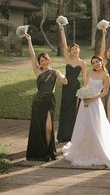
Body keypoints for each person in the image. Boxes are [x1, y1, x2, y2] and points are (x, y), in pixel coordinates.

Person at [62, 55, 110, 168]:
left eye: (97, 62)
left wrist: (92, 99)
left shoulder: (106, 75)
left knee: (95, 126)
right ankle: (82, 151)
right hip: (85, 103)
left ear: (101, 62)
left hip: (95, 103)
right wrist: (84, 97)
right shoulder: (90, 73)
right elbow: (85, 86)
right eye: (93, 63)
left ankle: (97, 150)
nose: (96, 64)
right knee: (83, 125)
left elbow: (104, 92)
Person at [24, 33, 68, 161]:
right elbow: (32, 57)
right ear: (40, 63)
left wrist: (61, 76)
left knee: (49, 128)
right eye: (41, 61)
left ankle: (48, 151)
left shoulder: (55, 72)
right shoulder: (38, 72)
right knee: (37, 128)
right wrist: (29, 41)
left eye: (45, 59)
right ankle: (41, 154)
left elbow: (65, 82)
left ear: (50, 60)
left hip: (50, 101)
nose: (44, 61)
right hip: (38, 101)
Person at [57, 24, 86, 142]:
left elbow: (84, 78)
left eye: (76, 48)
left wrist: (85, 90)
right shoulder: (68, 59)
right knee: (65, 108)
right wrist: (62, 29)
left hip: (76, 87)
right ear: (70, 51)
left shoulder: (82, 63)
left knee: (74, 110)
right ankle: (62, 135)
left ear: (79, 50)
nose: (75, 50)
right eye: (73, 48)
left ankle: (72, 135)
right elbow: (64, 44)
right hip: (67, 86)